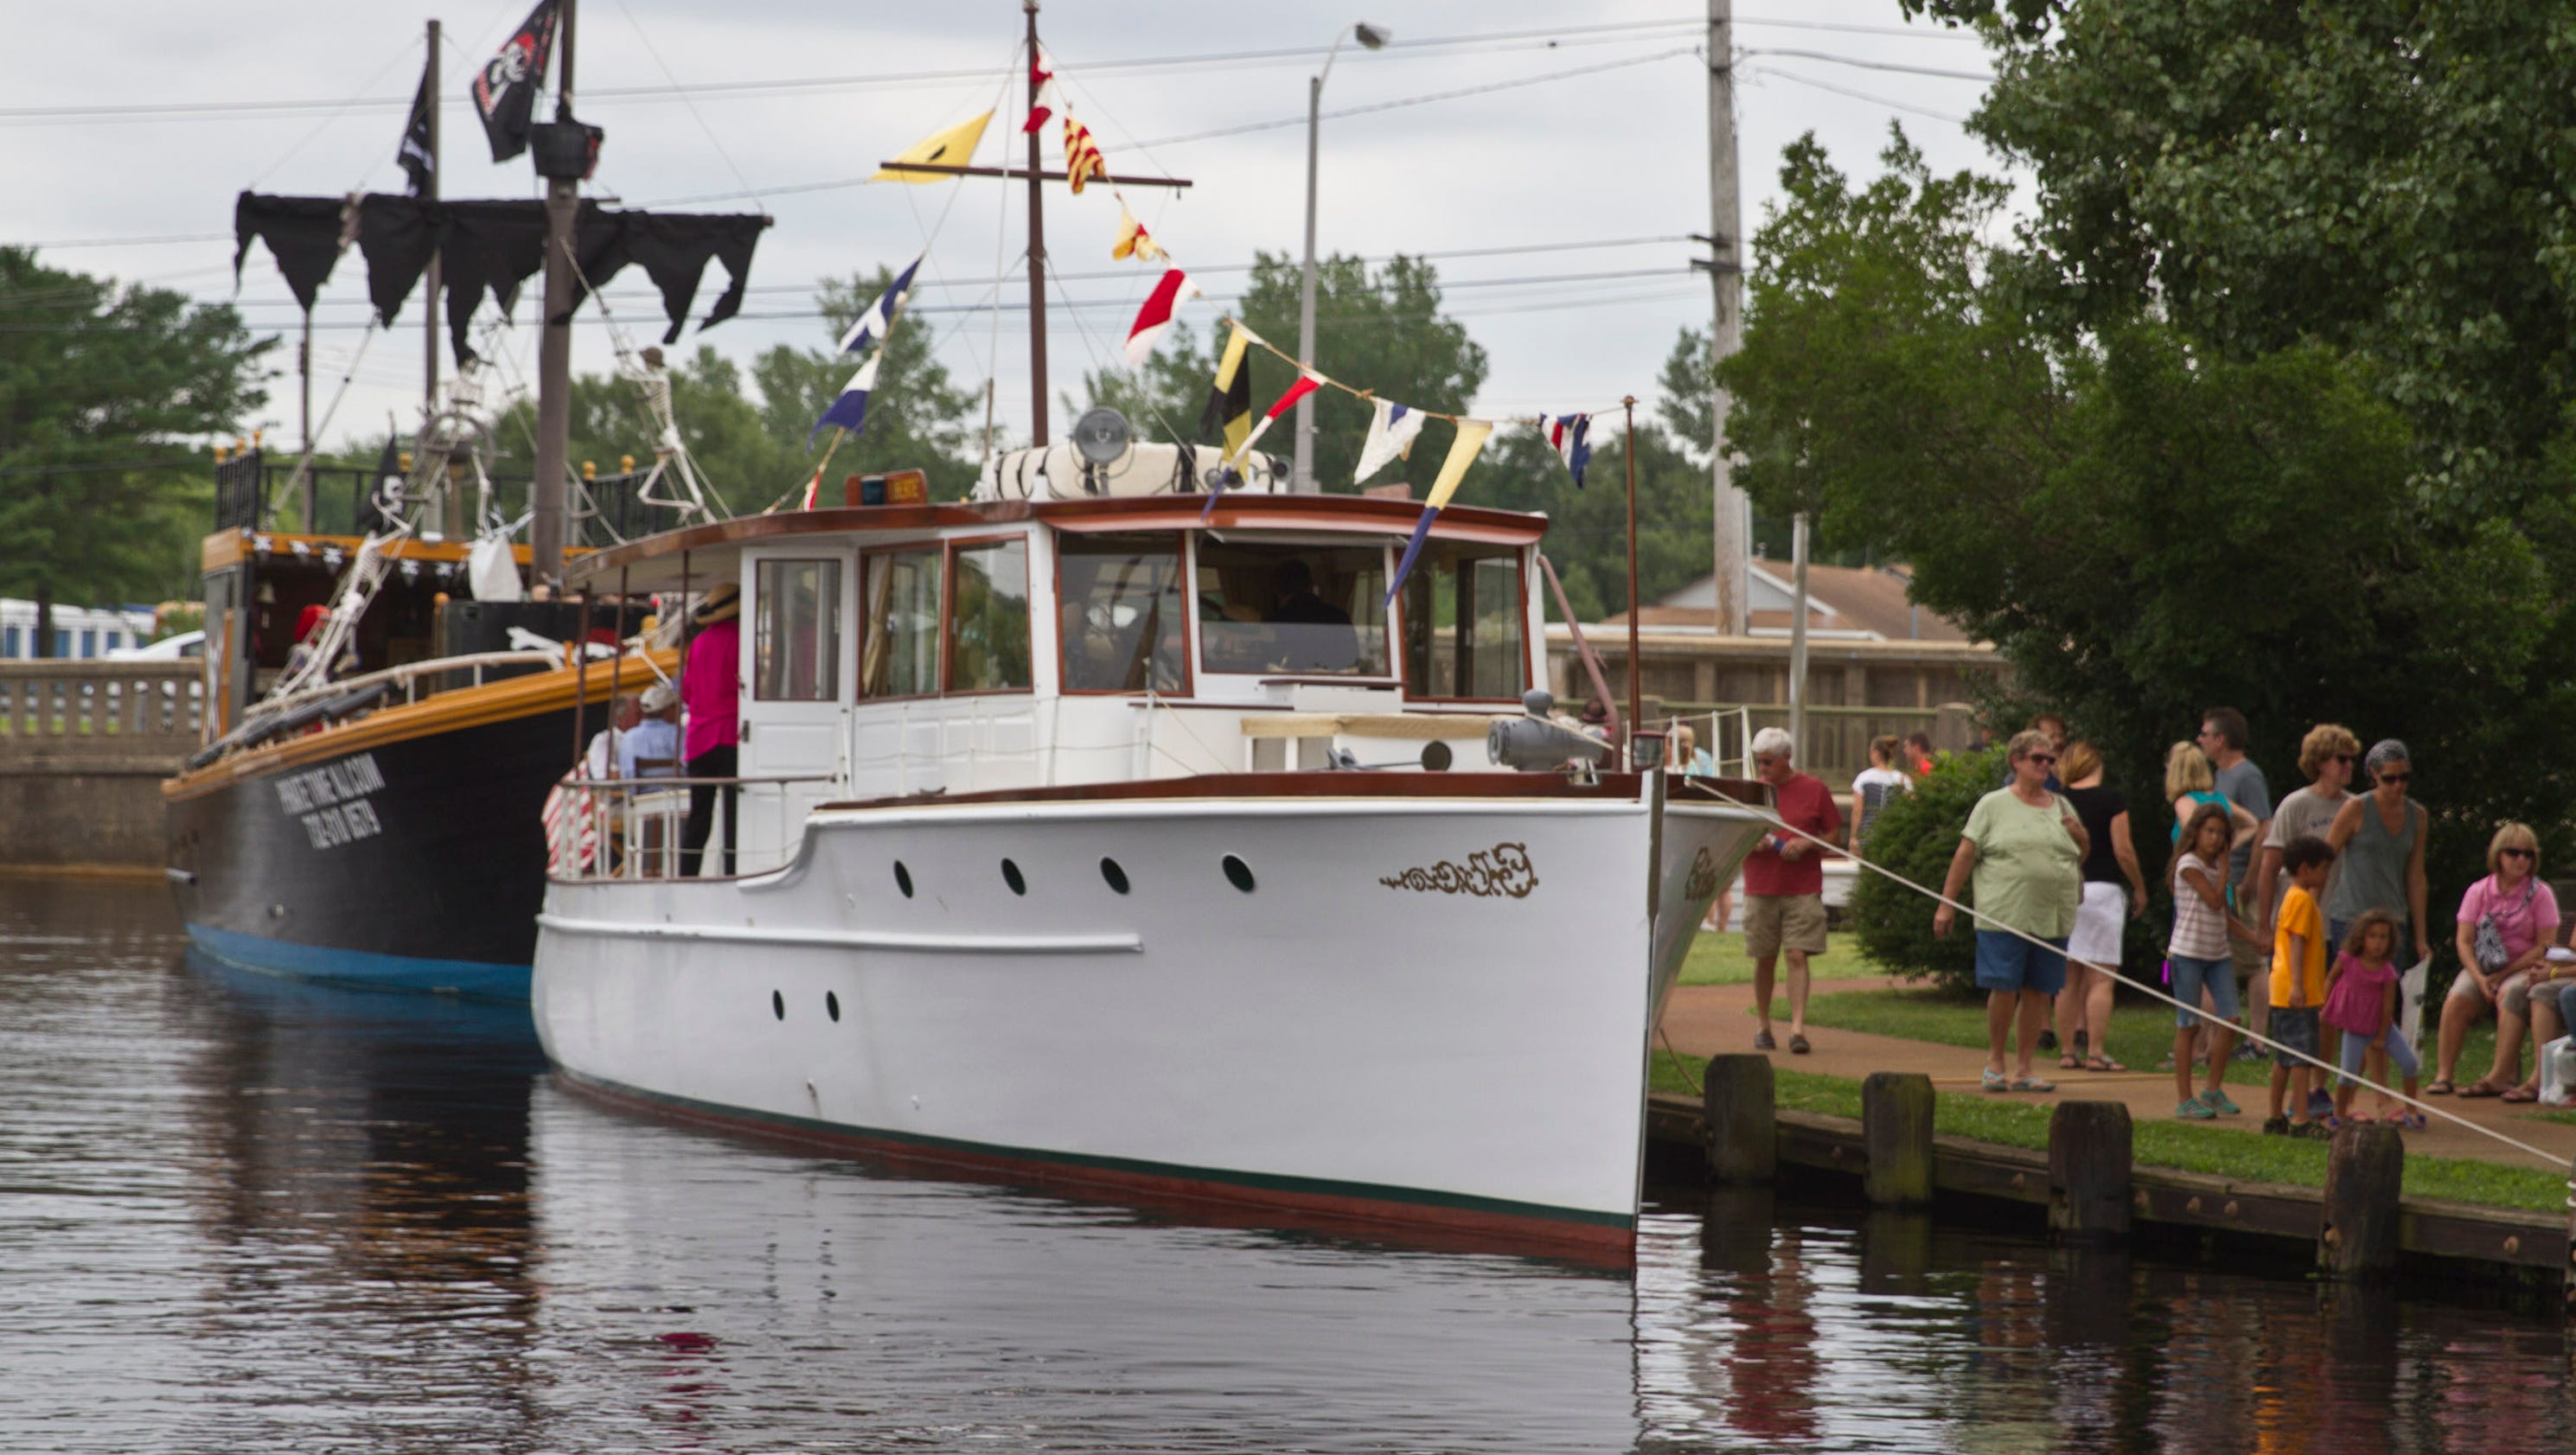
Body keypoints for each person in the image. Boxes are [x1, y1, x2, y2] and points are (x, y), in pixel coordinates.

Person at [1934, 728, 2087, 1094]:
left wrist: (2081, 837)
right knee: (2004, 988)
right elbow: (1965, 855)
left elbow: (2080, 853)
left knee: (2039, 991)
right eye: (2037, 759)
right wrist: (1946, 905)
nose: (2045, 766)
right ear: (2016, 761)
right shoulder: (1993, 804)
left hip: (2052, 914)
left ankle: (2024, 1068)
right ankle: (1995, 1062)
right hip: (2004, 913)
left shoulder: (2063, 806)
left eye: (2050, 759)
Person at [2437, 822, 2560, 1098]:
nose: (2521, 860)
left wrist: (2504, 974)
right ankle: (2444, 1075)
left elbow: (2545, 945)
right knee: (2457, 998)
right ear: (2498, 855)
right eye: (2514, 852)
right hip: (2482, 966)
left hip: (2522, 965)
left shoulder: (2541, 894)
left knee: (2509, 994)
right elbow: (2464, 941)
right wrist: (2480, 978)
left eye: (2528, 854)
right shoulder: (2479, 891)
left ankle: (2501, 1075)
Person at [1742, 726, 1843, 1054]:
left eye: (1769, 762)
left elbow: (1832, 836)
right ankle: (1763, 1025)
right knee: (1765, 957)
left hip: (1802, 887)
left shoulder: (1815, 790)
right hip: (1761, 886)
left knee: (1797, 954)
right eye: (1759, 762)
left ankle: (1798, 1029)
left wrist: (1805, 843)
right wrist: (1751, 842)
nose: (1763, 769)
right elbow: (1733, 836)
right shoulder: (1751, 791)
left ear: (1788, 758)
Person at [2054, 741, 2144, 1071]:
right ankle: (2095, 1051)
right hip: (2104, 891)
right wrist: (2139, 886)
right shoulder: (2112, 801)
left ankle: (2066, 1051)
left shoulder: (2058, 802)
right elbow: (2124, 851)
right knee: (2102, 978)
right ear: (2095, 764)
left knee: (2067, 978)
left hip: (2068, 889)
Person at [2169, 802, 2258, 1118]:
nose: (2216, 839)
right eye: (2210, 831)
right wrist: (2225, 871)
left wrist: (2253, 938)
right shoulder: (2189, 863)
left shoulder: (2217, 868)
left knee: (2232, 1018)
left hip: (2217, 953)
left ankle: (2212, 1089)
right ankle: (2184, 1099)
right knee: (2189, 1025)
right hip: (2188, 953)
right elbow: (2215, 900)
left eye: (2221, 834)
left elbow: (2224, 915)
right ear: (2195, 833)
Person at [2200, 709, 2273, 1051]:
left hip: (2242, 878)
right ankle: (2217, 1036)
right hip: (2223, 878)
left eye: (2204, 734)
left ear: (2220, 739)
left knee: (2253, 961)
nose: (2200, 741)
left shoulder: (2247, 776)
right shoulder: (2219, 776)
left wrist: (2249, 879)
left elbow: (2264, 827)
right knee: (2225, 956)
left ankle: (2256, 1040)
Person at [2266, 834, 2336, 1139]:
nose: (2326, 875)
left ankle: (2275, 1116)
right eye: (2323, 869)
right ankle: (2300, 1119)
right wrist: (2298, 985)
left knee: (2284, 1057)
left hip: (2282, 992)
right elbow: (2296, 943)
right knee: (2300, 1057)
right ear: (2305, 869)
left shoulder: (2292, 898)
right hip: (2295, 993)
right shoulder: (2303, 900)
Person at [2325, 910, 2424, 1127]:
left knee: (2409, 1063)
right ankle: (2339, 1114)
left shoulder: (2387, 971)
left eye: (2383, 937)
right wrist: (2323, 1007)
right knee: (2347, 1073)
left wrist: (2380, 1037)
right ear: (2361, 937)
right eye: (2373, 936)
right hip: (2355, 1027)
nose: (2378, 943)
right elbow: (2331, 978)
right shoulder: (2347, 959)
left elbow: (2388, 1005)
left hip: (2382, 1028)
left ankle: (2411, 1108)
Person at [678, 583, 742, 877]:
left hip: (699, 738)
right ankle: (732, 872)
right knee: (733, 814)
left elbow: (688, 694)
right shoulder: (743, 640)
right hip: (730, 735)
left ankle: (687, 874)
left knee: (699, 815)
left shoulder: (699, 644)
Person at [1267, 558, 1358, 671]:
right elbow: (1352, 661)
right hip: (1336, 684)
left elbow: (1269, 662)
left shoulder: (1277, 622)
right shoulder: (1339, 617)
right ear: (1310, 585)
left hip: (1292, 685)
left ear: (1277, 590)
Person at [1849, 734, 1913, 858]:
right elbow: (1910, 808)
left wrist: (1853, 837)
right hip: (1894, 837)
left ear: (1876, 753)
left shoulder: (1864, 778)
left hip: (1868, 837)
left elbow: (1857, 809)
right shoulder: (1903, 779)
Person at [620, 680, 683, 780]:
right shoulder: (681, 733)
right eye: (676, 706)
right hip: (680, 793)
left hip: (641, 795)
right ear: (668, 710)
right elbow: (692, 768)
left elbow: (627, 775)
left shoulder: (629, 738)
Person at [581, 694, 643, 780]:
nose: (644, 718)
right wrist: (646, 771)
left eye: (645, 714)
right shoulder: (604, 740)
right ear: (620, 719)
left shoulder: (649, 737)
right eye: (639, 714)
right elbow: (604, 775)